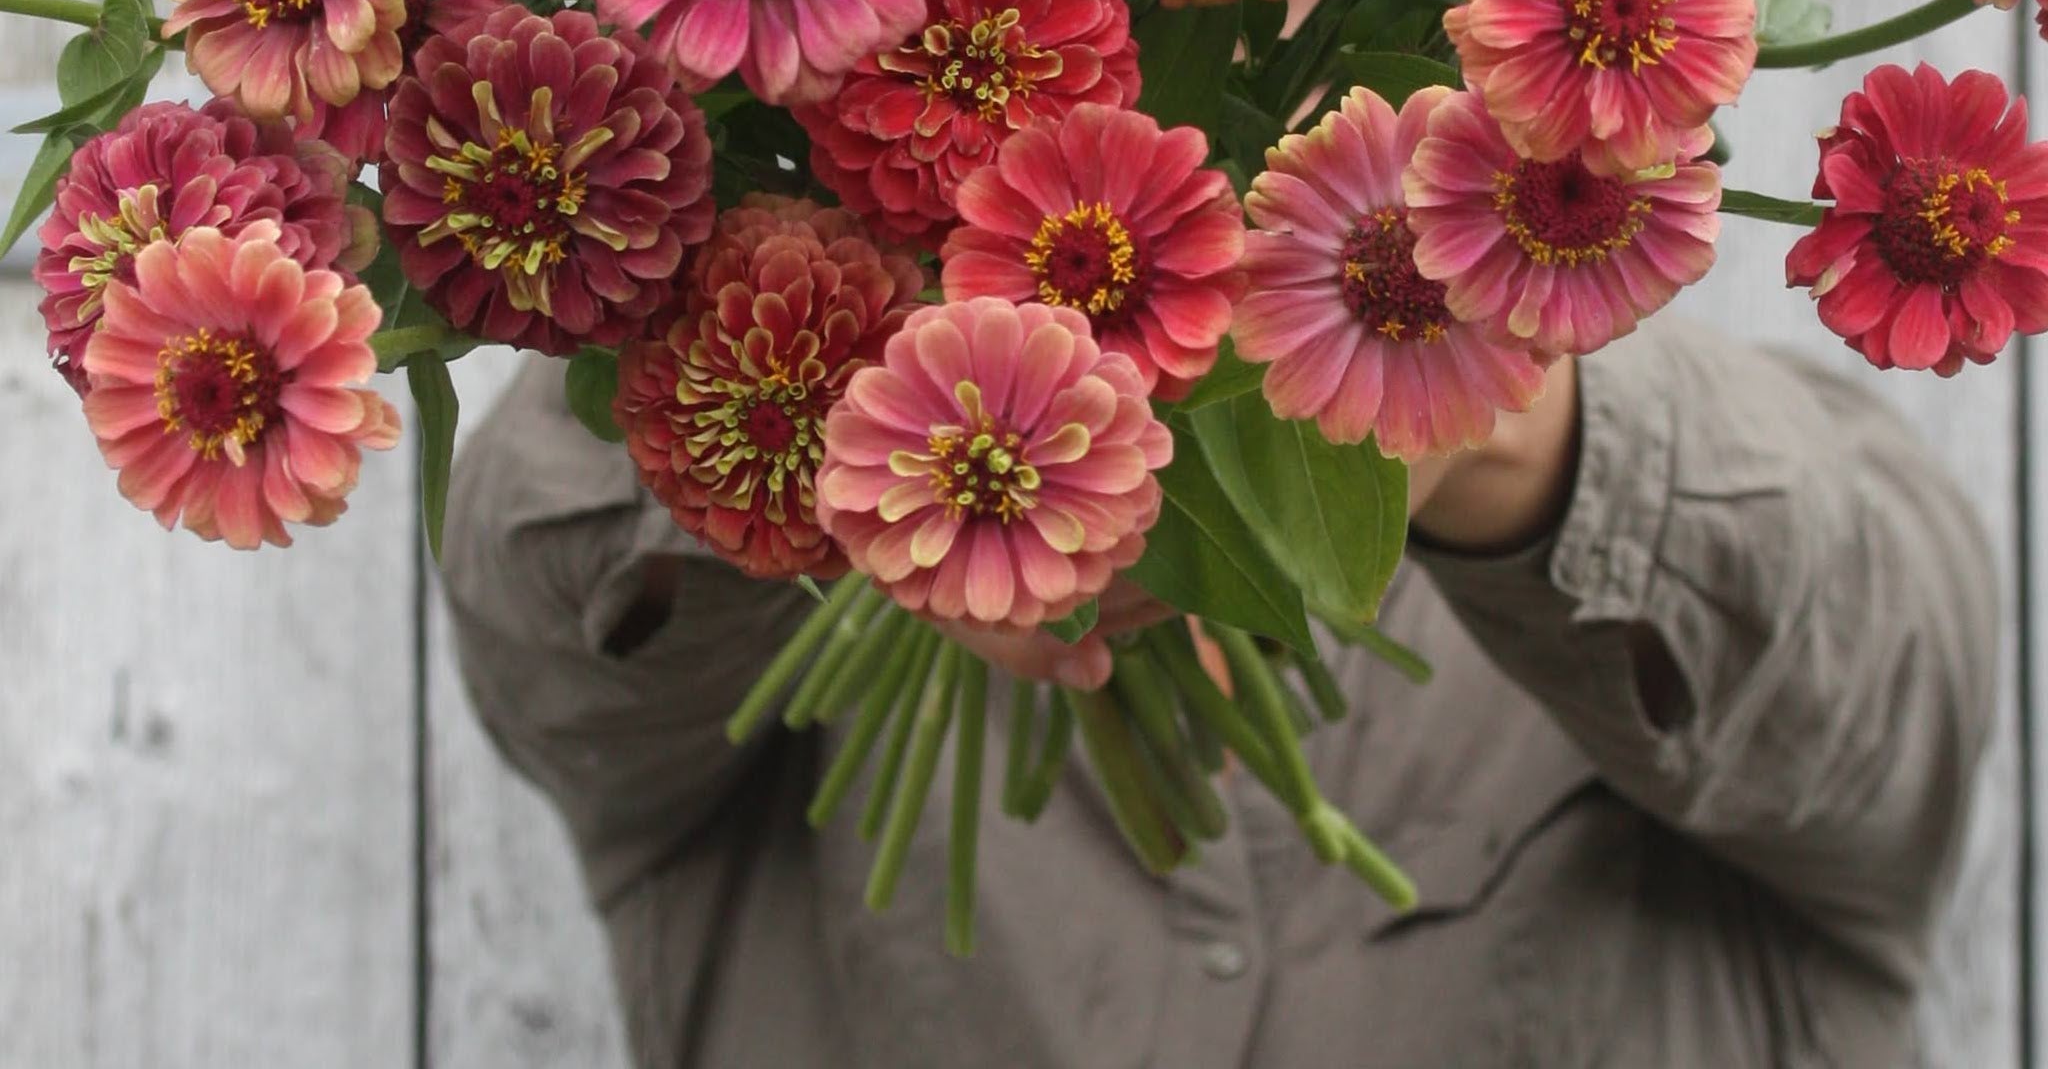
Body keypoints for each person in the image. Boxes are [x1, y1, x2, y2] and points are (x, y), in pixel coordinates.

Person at [441, 323, 1996, 1068]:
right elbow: (544, 627)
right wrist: (844, 337)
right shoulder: (746, 640)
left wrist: (1507, 424)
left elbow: (1877, 674)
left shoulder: (1778, 521)